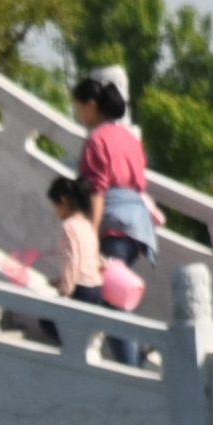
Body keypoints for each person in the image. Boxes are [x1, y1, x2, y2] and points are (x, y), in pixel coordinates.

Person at [71, 70, 163, 280]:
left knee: (104, 287)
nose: (78, 114)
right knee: (110, 283)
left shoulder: (97, 141)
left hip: (114, 224)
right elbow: (140, 181)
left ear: (91, 105)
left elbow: (97, 193)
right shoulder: (129, 137)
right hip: (138, 225)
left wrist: (90, 236)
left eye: (79, 107)